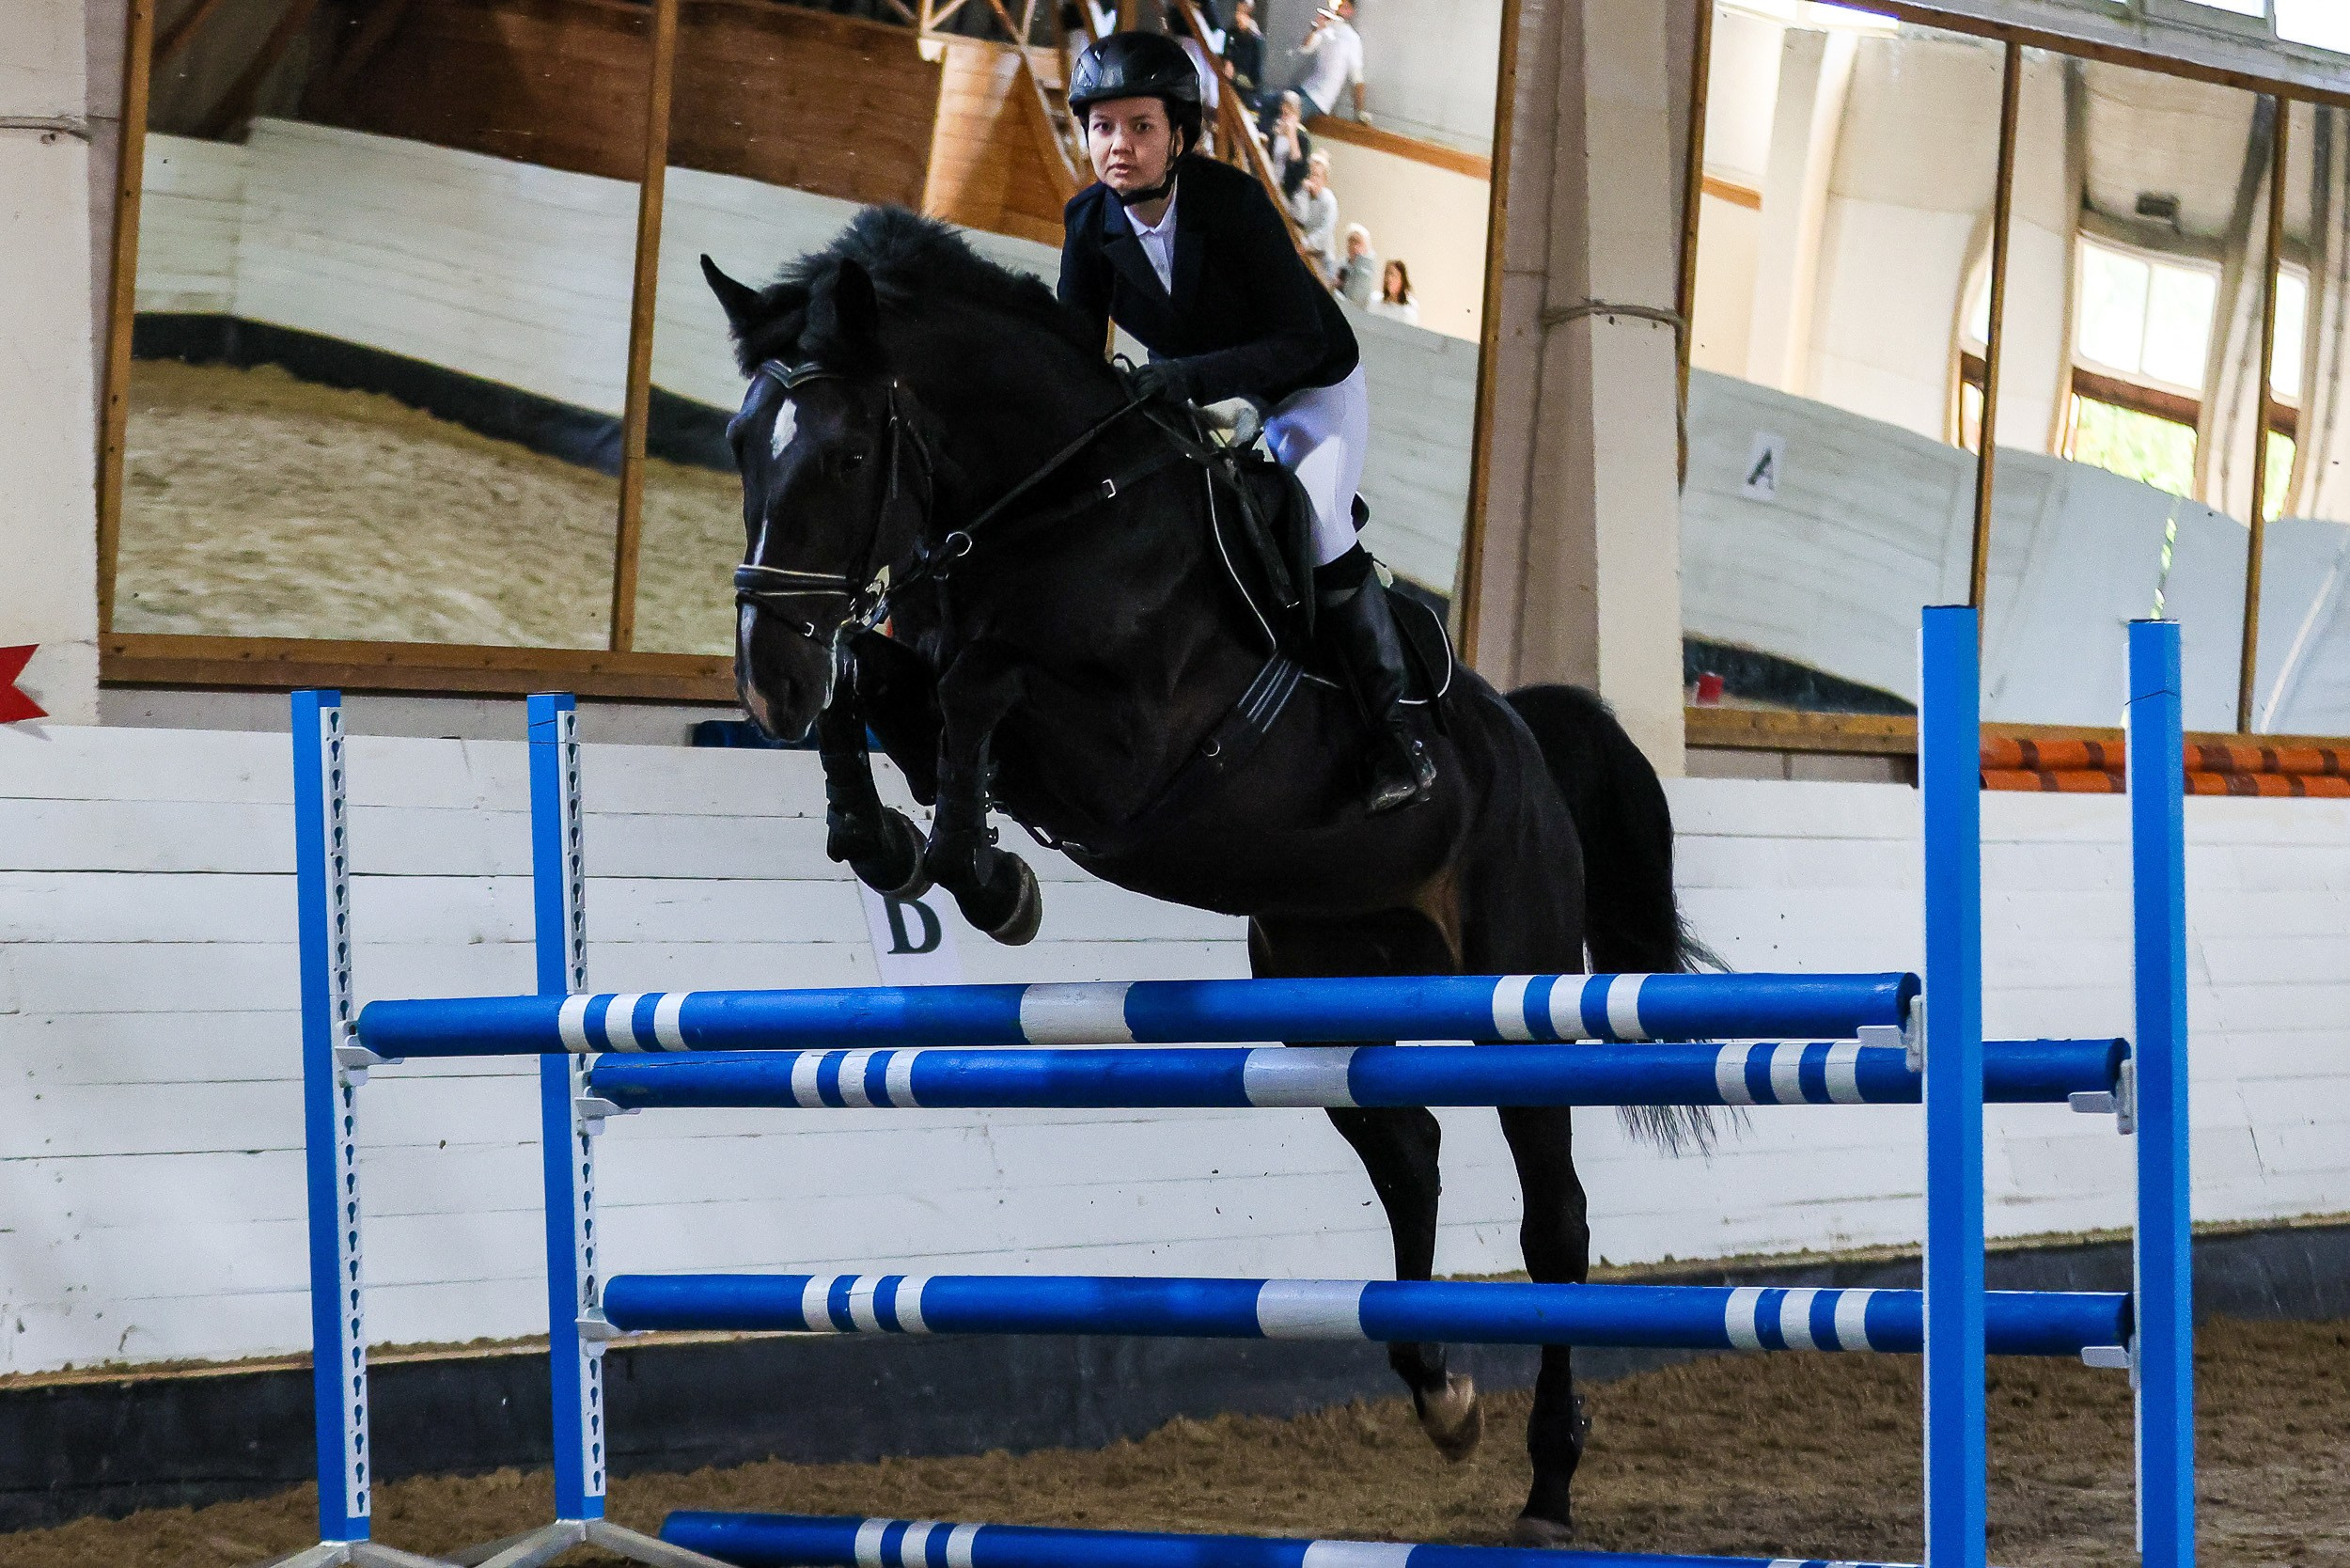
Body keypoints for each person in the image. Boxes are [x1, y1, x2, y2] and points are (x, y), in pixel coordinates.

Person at [1058, 29, 1435, 812]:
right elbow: (1074, 353)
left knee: (1318, 515)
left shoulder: (1230, 203)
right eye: (1102, 127)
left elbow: (1295, 338)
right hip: (1199, 396)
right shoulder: (1087, 223)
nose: (1117, 146)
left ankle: (1395, 733)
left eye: (1140, 127)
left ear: (1180, 137)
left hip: (1308, 383)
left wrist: (1183, 378)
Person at [1292, 0, 1366, 124]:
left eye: (1344, 7)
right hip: (1306, 88)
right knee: (1271, 102)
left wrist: (1360, 112)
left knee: (1291, 115)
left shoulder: (1352, 38)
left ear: (1350, 12)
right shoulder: (1326, 28)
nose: (1339, 9)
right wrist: (1316, 28)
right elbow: (1305, 49)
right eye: (1338, 6)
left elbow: (1357, 77)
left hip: (1320, 99)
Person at [1287, 149, 1340, 283]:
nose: (1312, 178)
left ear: (1324, 179)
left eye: (1316, 175)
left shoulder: (1329, 200)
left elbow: (1326, 229)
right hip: (1306, 252)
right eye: (1310, 174)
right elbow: (1300, 217)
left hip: (1322, 257)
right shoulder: (1303, 193)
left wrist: (1306, 243)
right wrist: (1304, 193)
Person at [1264, 89, 1311, 196]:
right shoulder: (1274, 133)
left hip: (1288, 192)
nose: (1284, 118)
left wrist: (1291, 136)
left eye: (1288, 114)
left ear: (1297, 115)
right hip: (1269, 184)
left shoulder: (1302, 138)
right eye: (1283, 113)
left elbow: (1300, 173)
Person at [1222, 0, 1267, 111]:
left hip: (1246, 95)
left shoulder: (1256, 41)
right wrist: (1227, 61)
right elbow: (1227, 51)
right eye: (1238, 11)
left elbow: (1255, 80)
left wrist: (1235, 76)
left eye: (1242, 13)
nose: (1238, 16)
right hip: (1229, 88)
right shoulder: (1232, 32)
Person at [1336, 223, 1378, 307]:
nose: (1353, 246)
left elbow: (1357, 297)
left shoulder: (1366, 269)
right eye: (1350, 241)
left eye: (1357, 242)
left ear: (1365, 246)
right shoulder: (1342, 264)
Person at [1367, 258, 1418, 325]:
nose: (1389, 278)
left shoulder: (1409, 308)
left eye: (1393, 275)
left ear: (1401, 280)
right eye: (1387, 274)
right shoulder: (1375, 300)